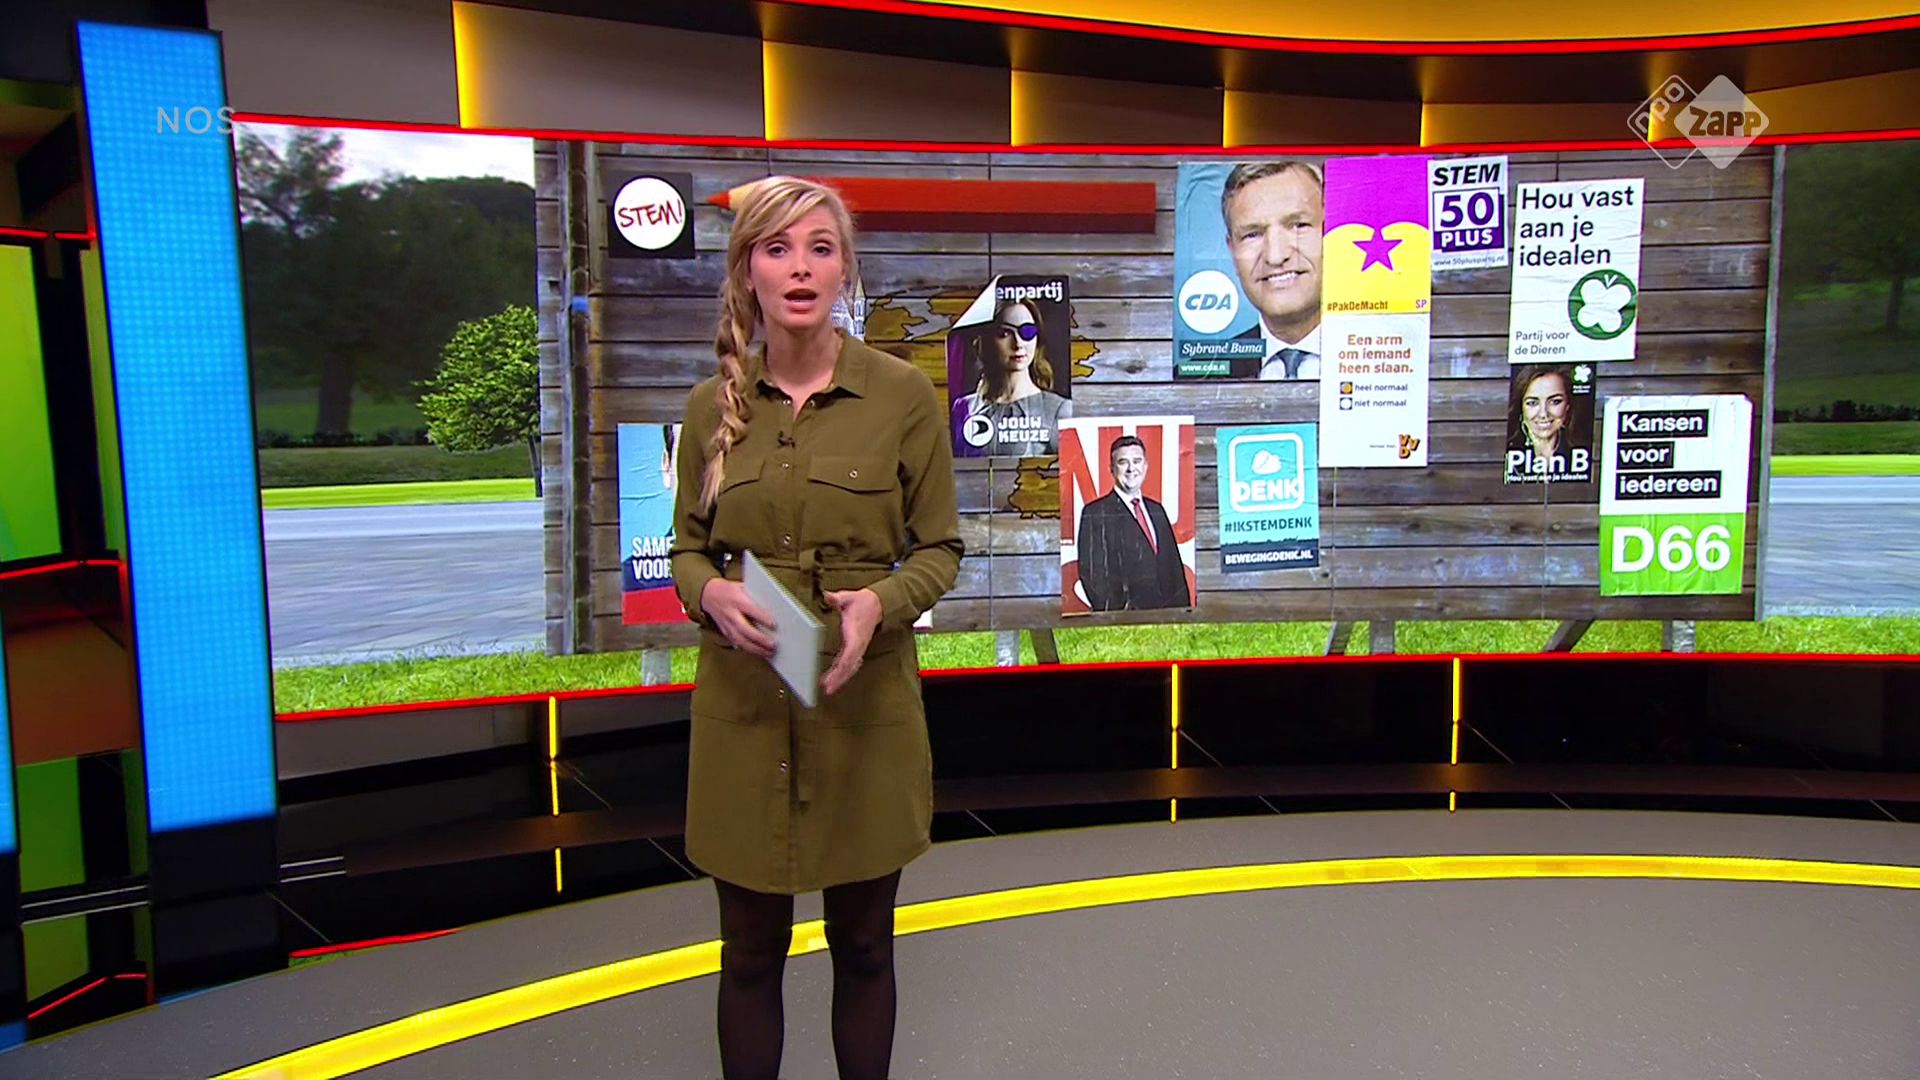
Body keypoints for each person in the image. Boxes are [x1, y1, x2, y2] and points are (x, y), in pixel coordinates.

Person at [669, 175, 963, 1080]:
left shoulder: (902, 397)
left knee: (865, 946)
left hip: (862, 712)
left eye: (820, 249)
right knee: (749, 954)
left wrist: (882, 601)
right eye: (777, 249)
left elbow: (941, 550)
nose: (800, 268)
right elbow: (686, 552)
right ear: (748, 271)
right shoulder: (709, 408)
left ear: (844, 271)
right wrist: (709, 595)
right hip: (745, 717)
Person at [1219, 161, 1324, 380]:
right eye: (1252, 234)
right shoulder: (1196, 377)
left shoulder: (1389, 359)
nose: (1275, 256)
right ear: (1232, 251)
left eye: (1298, 225)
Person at [1075, 435, 1192, 611]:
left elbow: (1174, 567)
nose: (1131, 469)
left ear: (1145, 466)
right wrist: (1118, 616)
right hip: (1126, 619)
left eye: (1137, 461)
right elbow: (1093, 575)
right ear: (1111, 469)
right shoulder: (1096, 513)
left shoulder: (1157, 510)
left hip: (1168, 617)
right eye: (1123, 462)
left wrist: (1183, 612)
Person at [949, 298, 1073, 457]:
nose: (1018, 344)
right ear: (986, 340)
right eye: (1005, 333)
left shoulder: (1059, 410)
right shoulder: (963, 407)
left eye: (1027, 331)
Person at [1506, 366, 1577, 477]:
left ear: (1567, 406)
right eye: (1532, 403)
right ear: (1521, 408)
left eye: (1555, 401)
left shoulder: (1579, 455)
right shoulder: (1508, 454)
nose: (1543, 414)